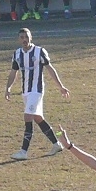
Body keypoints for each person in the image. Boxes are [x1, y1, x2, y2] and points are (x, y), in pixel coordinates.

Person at [5, 28, 69, 160]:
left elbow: (50, 69)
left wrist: (60, 86)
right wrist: (8, 88)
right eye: (22, 37)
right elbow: (13, 72)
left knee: (27, 117)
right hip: (26, 92)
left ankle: (23, 151)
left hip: (37, 91)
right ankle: (56, 144)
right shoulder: (17, 54)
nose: (24, 39)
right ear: (18, 39)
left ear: (31, 37)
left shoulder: (39, 51)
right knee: (38, 118)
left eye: (26, 37)